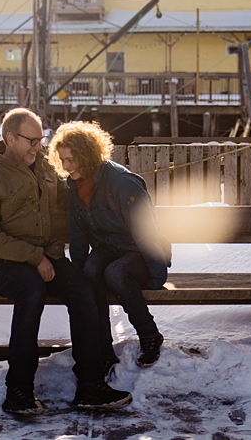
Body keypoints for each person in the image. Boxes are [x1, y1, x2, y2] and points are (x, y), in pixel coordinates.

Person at [0, 107, 132, 415]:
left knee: (82, 290)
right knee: (31, 289)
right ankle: (18, 390)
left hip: (45, 258)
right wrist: (34, 257)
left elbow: (68, 205)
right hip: (0, 263)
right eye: (32, 140)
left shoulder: (45, 170)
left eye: (41, 139)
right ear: (10, 138)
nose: (38, 147)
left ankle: (91, 385)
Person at [49, 120, 171, 370]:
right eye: (63, 160)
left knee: (115, 273)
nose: (67, 166)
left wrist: (157, 274)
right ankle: (102, 347)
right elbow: (79, 233)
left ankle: (149, 335)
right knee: (93, 271)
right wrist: (81, 273)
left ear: (87, 154)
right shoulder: (75, 186)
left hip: (138, 252)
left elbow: (146, 232)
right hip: (108, 249)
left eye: (71, 159)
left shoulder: (121, 182)